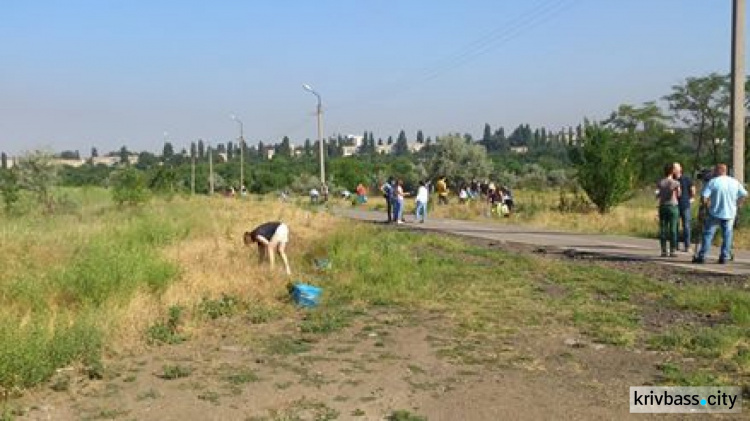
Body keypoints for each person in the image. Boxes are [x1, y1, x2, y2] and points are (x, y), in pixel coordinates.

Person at [694, 163, 747, 264]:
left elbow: (704, 197)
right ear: (725, 171)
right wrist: (738, 204)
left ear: (717, 171)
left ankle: (703, 256)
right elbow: (744, 194)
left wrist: (707, 206)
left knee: (708, 234)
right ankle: (724, 256)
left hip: (715, 212)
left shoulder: (713, 182)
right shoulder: (734, 182)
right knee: (727, 235)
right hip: (730, 212)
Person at [656, 163, 681, 257]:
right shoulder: (675, 183)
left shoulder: (660, 182)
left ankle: (663, 250)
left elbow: (658, 194)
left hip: (662, 206)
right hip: (673, 206)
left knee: (663, 228)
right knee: (673, 229)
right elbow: (679, 194)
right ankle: (673, 250)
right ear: (672, 171)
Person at [674, 162, 695, 252]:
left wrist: (692, 197)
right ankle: (675, 245)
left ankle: (687, 245)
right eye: (673, 168)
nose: (674, 170)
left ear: (680, 169)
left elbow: (692, 188)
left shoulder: (686, 178)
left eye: (675, 168)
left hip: (685, 204)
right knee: (675, 226)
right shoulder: (672, 179)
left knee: (686, 225)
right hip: (674, 205)